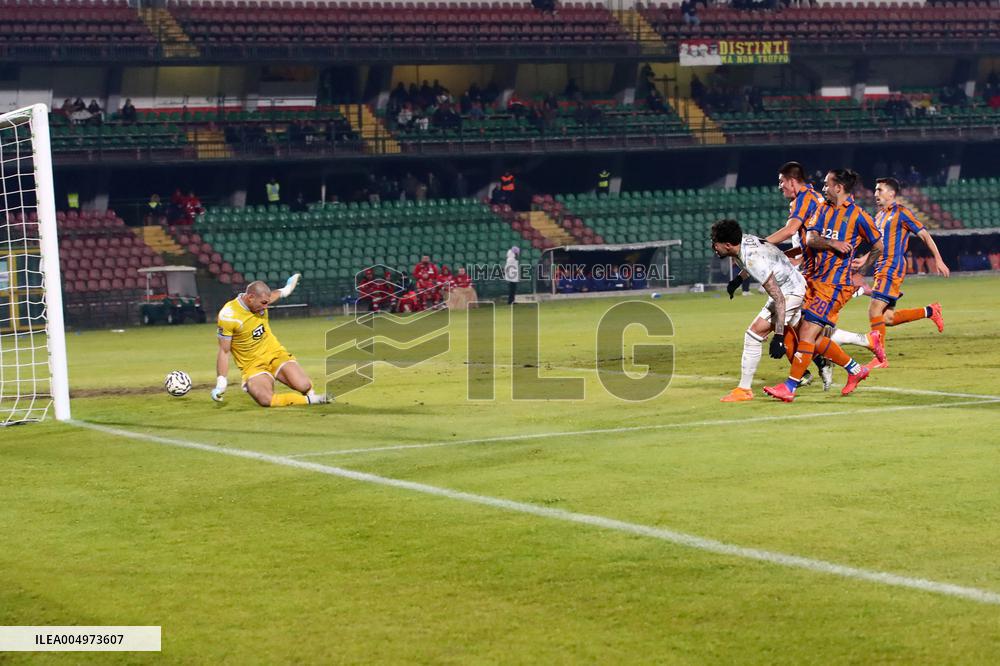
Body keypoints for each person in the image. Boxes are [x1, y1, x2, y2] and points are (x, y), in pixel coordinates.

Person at [763, 169, 885, 402]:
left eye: (827, 184)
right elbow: (810, 239)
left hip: (834, 285)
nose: (823, 187)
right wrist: (833, 243)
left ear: (838, 187)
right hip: (813, 280)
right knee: (810, 335)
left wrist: (864, 266)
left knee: (807, 333)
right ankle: (856, 369)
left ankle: (790, 387)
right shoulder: (822, 209)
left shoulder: (859, 216)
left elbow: (879, 246)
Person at [836, 177, 948, 368]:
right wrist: (865, 259)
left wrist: (938, 259)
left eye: (879, 190)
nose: (875, 194)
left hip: (892, 266)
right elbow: (879, 245)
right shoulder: (879, 216)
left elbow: (924, 235)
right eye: (875, 190)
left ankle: (881, 358)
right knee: (887, 318)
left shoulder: (902, 213)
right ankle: (930, 311)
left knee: (874, 310)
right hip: (880, 266)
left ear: (891, 193)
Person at [711, 219, 806, 403]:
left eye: (716, 243)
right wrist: (738, 281)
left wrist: (779, 337)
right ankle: (857, 357)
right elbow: (758, 260)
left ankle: (744, 390)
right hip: (790, 285)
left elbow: (779, 298)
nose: (713, 247)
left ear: (728, 245)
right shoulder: (744, 241)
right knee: (811, 335)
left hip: (789, 292)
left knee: (753, 334)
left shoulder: (752, 259)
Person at [212, 276, 330, 407]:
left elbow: (276, 294)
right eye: (263, 303)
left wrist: (287, 288)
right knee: (265, 399)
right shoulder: (229, 316)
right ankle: (314, 399)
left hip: (275, 354)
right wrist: (221, 382)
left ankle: (310, 393)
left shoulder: (261, 300)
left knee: (304, 385)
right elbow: (224, 351)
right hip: (252, 366)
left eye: (267, 303)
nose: (266, 307)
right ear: (250, 297)